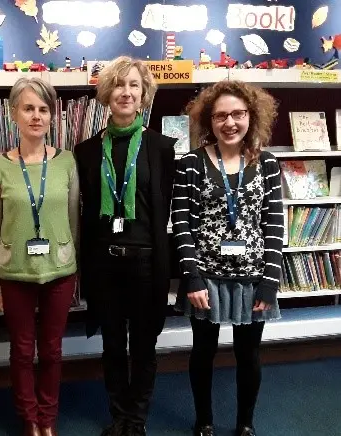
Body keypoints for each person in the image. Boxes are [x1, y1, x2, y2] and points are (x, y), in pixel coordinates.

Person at [172, 80, 283, 436]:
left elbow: (274, 223)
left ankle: (245, 423)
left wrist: (270, 281)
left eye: (238, 114)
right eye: (221, 116)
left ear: (252, 116)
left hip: (253, 279)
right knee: (202, 352)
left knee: (248, 355)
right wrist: (191, 277)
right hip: (206, 278)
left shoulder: (267, 163)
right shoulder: (190, 163)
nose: (230, 123)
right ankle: (204, 420)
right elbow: (182, 222)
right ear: (209, 120)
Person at [74, 56, 177, 436]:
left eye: (134, 85)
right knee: (114, 345)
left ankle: (137, 418)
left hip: (147, 264)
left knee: (144, 348)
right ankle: (119, 414)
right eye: (118, 85)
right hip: (105, 264)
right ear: (106, 93)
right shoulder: (85, 152)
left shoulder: (162, 148)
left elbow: (162, 209)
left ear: (144, 93)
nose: (126, 92)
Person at [0, 77, 79, 436]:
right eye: (28, 108)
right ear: (13, 115)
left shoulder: (67, 162)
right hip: (15, 274)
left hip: (59, 271)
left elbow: (73, 220)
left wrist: (76, 268)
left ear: (52, 116)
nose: (36, 116)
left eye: (43, 109)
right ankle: (29, 419)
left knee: (52, 351)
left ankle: (49, 417)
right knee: (23, 352)